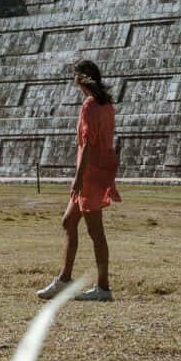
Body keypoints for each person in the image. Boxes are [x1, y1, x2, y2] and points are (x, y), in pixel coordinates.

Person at [37, 59, 121, 302]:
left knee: (96, 232)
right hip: (102, 168)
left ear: (82, 80)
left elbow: (86, 145)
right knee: (68, 221)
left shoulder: (89, 106)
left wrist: (78, 177)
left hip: (90, 173)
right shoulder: (107, 106)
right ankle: (64, 279)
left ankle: (103, 287)